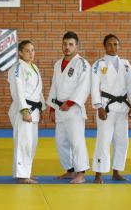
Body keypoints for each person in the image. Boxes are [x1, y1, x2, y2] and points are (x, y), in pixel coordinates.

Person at [91, 34, 131, 184]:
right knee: (103, 140)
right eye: (110, 44)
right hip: (106, 107)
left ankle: (116, 171)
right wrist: (98, 106)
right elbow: (94, 87)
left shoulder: (126, 64)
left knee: (122, 140)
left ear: (119, 46)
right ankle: (98, 174)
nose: (113, 47)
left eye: (116, 44)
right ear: (104, 46)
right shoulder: (98, 64)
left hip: (122, 108)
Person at [47, 31, 91, 184]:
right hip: (59, 110)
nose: (67, 47)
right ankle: (70, 170)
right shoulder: (58, 64)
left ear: (76, 46)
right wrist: (52, 108)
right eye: (65, 44)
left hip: (73, 110)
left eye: (71, 44)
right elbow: (54, 86)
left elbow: (84, 86)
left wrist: (71, 102)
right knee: (61, 142)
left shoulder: (83, 64)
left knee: (76, 141)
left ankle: (81, 173)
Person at [8, 40, 45, 184]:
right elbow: (17, 90)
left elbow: (38, 90)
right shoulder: (18, 67)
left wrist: (42, 108)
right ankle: (22, 175)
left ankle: (26, 171)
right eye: (27, 51)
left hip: (34, 110)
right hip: (23, 110)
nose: (31, 53)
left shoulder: (34, 67)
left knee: (32, 143)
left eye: (33, 50)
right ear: (20, 53)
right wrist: (24, 110)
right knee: (23, 142)